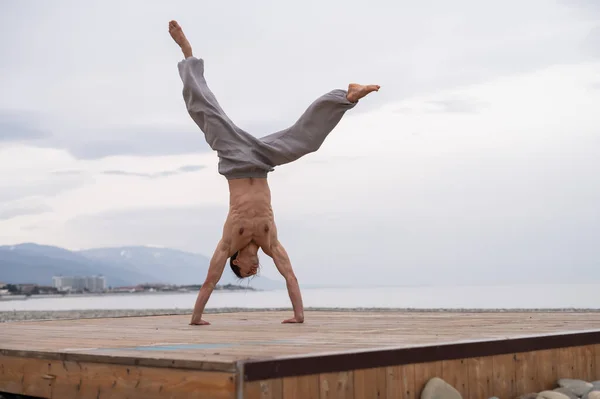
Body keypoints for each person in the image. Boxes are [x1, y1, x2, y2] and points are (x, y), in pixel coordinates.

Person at [168, 20, 380, 325]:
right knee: (304, 143)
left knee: (206, 110)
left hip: (234, 159)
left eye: (246, 272)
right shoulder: (270, 242)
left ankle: (187, 51)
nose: (253, 271)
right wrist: (299, 316)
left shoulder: (228, 243)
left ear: (237, 261)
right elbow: (290, 276)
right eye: (254, 273)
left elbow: (208, 282)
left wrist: (195, 318)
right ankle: (347, 98)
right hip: (264, 160)